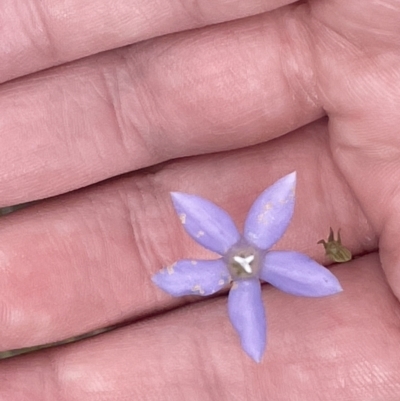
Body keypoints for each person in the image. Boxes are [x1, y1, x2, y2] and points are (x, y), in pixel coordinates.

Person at [1, 0, 400, 399]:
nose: (244, 263)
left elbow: (294, 249)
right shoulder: (242, 248)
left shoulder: (266, 251)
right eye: (244, 265)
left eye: (244, 264)